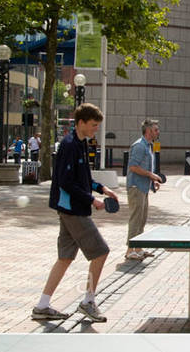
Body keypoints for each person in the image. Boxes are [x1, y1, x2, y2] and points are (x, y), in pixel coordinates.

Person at [32, 104, 119, 323]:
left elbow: (83, 178)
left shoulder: (81, 143)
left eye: (97, 126)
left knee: (65, 258)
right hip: (73, 211)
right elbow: (66, 182)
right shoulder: (69, 146)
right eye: (93, 125)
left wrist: (102, 188)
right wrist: (93, 200)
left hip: (70, 209)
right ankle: (88, 302)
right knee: (101, 252)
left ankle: (42, 305)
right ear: (81, 122)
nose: (95, 130)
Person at [125, 119, 162, 260]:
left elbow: (144, 168)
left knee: (142, 219)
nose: (158, 132)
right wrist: (151, 175)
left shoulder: (148, 146)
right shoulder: (139, 146)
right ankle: (130, 250)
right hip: (136, 187)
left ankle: (138, 248)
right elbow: (133, 167)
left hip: (144, 187)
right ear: (148, 131)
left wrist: (152, 180)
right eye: (155, 130)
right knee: (136, 218)